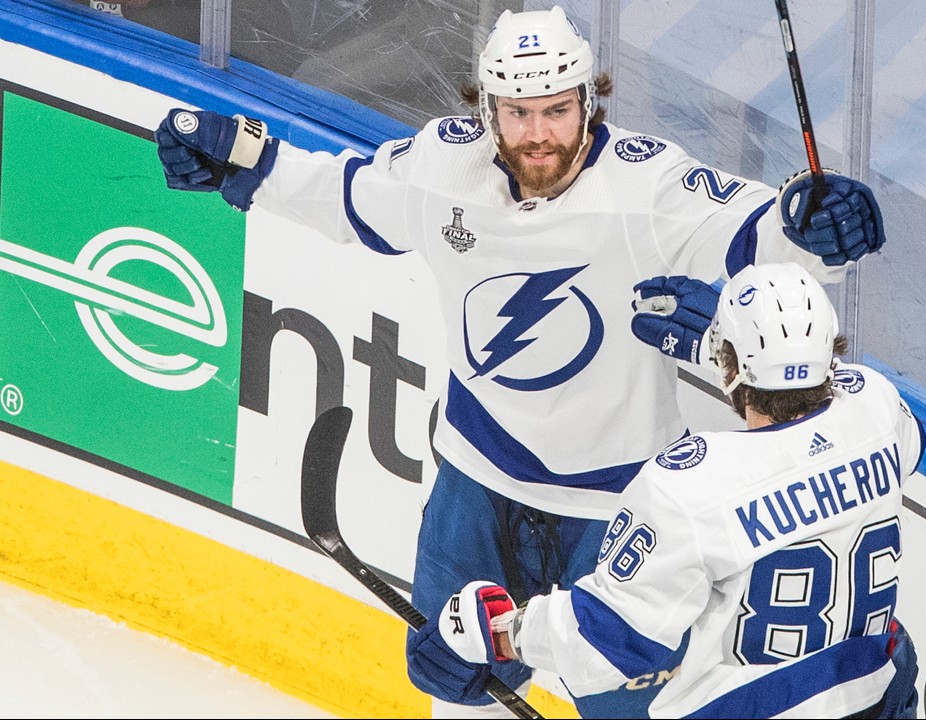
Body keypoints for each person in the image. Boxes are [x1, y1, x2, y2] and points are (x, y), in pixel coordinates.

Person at [151, 6, 886, 717]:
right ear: (488, 110)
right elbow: (349, 200)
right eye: (517, 112)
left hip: (615, 507)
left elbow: (754, 233)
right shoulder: (444, 164)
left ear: (589, 103)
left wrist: (816, 227)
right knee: (457, 680)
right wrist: (240, 159)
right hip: (475, 480)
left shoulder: (646, 187)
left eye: (557, 111)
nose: (538, 135)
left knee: (630, 705)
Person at [438, 262, 925, 719]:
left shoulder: (691, 486)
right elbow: (888, 428)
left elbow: (606, 644)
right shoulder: (878, 406)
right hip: (875, 696)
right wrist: (751, 349)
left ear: (731, 368)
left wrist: (504, 634)